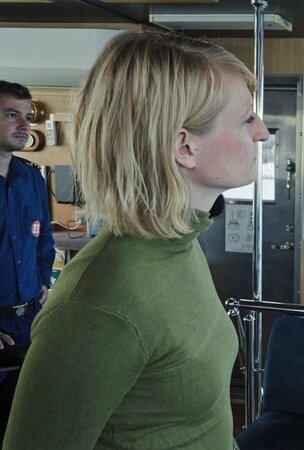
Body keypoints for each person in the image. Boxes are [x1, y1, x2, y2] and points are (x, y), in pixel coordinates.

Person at [4, 32, 269, 448]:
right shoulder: (97, 306)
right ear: (185, 146)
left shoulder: (179, 245)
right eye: (246, 118)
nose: (263, 133)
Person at [0, 80, 56, 436]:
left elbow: (43, 239)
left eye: (27, 116)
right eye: (11, 115)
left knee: (23, 424)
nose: (25, 125)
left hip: (28, 321)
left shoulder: (31, 178)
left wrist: (44, 283)